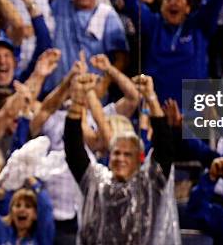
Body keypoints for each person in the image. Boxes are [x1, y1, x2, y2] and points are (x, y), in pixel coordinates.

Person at [63, 73, 178, 244]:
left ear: (138, 160)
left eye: (127, 154)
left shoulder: (148, 183)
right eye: (116, 153)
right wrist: (77, 102)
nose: (120, 158)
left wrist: (151, 99)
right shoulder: (96, 182)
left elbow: (165, 149)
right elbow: (73, 150)